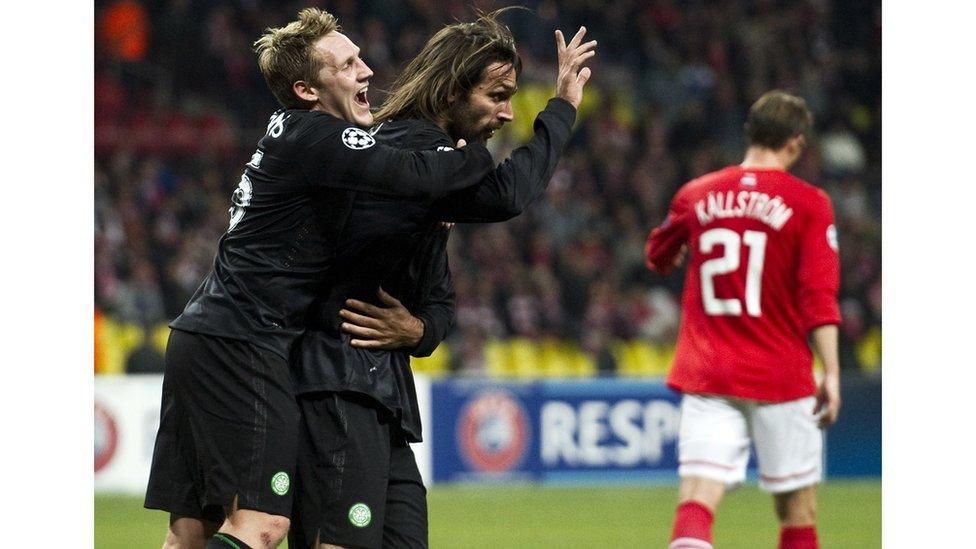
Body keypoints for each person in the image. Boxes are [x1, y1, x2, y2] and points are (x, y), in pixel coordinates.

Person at [143, 8, 503, 549]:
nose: (367, 73)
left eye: (361, 58)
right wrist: (470, 159)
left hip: (201, 335)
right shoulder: (318, 137)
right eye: (348, 64)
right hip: (244, 342)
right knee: (264, 526)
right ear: (306, 89)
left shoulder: (297, 140)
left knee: (191, 532)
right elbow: (411, 172)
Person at [287, 11, 595, 549]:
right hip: (336, 378)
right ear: (453, 89)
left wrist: (420, 330)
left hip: (380, 392)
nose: (505, 113)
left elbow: (438, 299)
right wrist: (563, 108)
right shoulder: (401, 151)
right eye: (496, 95)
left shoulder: (436, 174)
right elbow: (507, 195)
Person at [644, 90, 841, 549]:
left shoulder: (696, 194)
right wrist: (831, 372)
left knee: (696, 500)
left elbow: (657, 255)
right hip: (782, 376)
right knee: (797, 512)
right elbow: (818, 297)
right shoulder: (809, 203)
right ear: (795, 143)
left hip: (709, 371)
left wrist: (681, 248)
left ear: (749, 133)